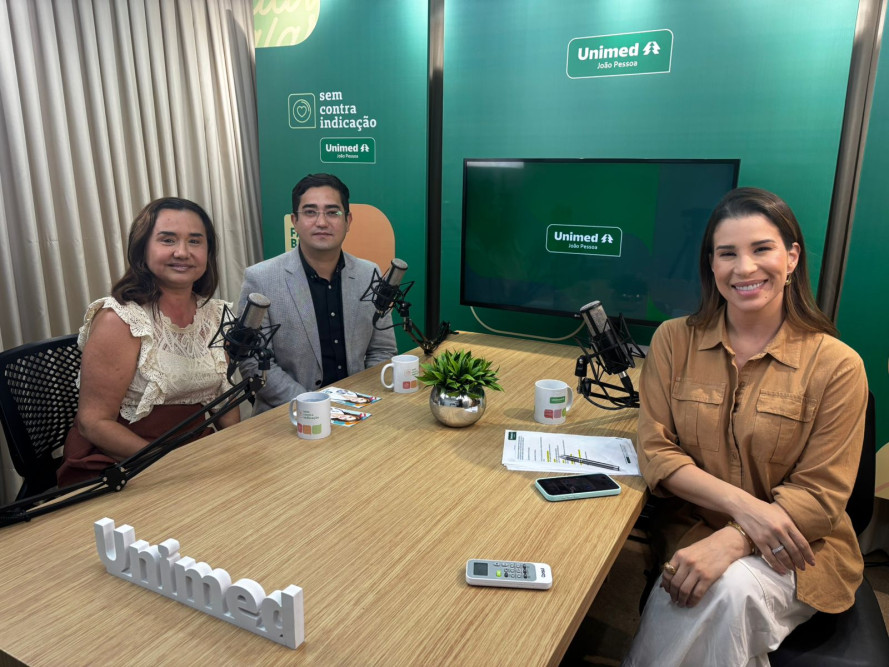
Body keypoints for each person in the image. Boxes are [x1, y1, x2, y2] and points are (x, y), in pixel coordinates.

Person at [623, 188, 869, 666]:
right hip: (694, 530)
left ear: (791, 257)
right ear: (711, 265)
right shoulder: (673, 341)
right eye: (727, 253)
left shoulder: (838, 366)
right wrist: (746, 509)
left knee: (729, 589)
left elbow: (821, 496)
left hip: (801, 548)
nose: (744, 268)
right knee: (713, 600)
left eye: (761, 248)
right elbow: (656, 452)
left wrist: (736, 537)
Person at [57, 198, 238, 487]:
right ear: (142, 248)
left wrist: (237, 449)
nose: (182, 252)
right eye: (168, 240)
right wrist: (174, 465)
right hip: (123, 463)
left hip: (194, 453)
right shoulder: (119, 320)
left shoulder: (216, 314)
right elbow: (93, 423)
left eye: (195, 241)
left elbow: (223, 398)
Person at [237, 173, 397, 414]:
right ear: (295, 221)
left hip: (358, 411)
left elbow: (383, 350)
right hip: (288, 415)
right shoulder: (261, 279)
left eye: (332, 212)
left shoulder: (368, 274)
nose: (322, 222)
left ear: (348, 220)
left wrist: (358, 400)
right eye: (310, 212)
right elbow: (252, 360)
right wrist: (314, 407)